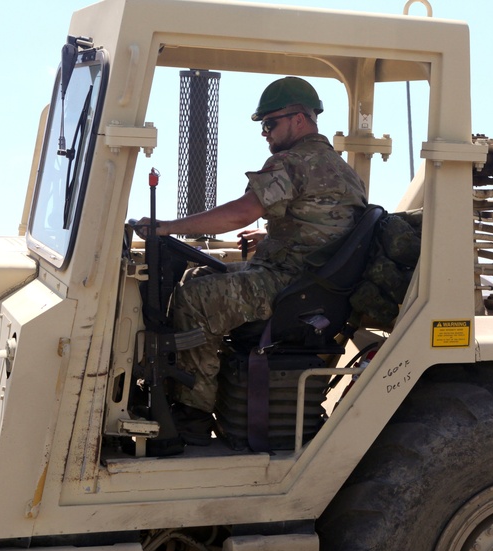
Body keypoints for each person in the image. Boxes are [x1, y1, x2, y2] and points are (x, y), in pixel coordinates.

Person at [137, 76, 367, 447]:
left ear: (299, 120)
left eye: (270, 123)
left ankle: (191, 415)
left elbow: (241, 213)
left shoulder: (293, 162)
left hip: (291, 285)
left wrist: (167, 227)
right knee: (199, 271)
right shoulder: (342, 170)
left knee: (194, 298)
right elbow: (328, 225)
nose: (265, 133)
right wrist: (273, 237)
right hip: (312, 282)